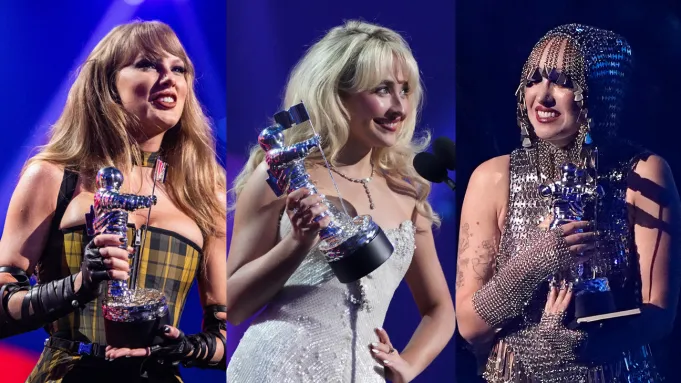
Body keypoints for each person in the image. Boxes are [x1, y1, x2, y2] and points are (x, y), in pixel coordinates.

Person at [226, 20, 455, 383]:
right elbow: (233, 307)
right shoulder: (280, 174)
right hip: (275, 369)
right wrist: (297, 243)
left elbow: (440, 309)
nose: (399, 107)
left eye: (406, 90)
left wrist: (408, 365)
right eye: (382, 89)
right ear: (336, 95)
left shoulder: (408, 193)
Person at [0, 20, 226, 382]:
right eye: (148, 64)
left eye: (178, 68)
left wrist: (181, 347)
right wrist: (80, 284)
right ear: (108, 84)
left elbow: (227, 333)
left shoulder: (205, 190)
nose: (168, 76)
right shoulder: (53, 175)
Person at [455, 23, 681, 382]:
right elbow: (470, 326)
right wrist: (535, 262)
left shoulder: (643, 173)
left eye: (563, 81)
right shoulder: (492, 177)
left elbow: (659, 317)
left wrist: (584, 350)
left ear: (600, 91)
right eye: (532, 80)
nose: (542, 97)